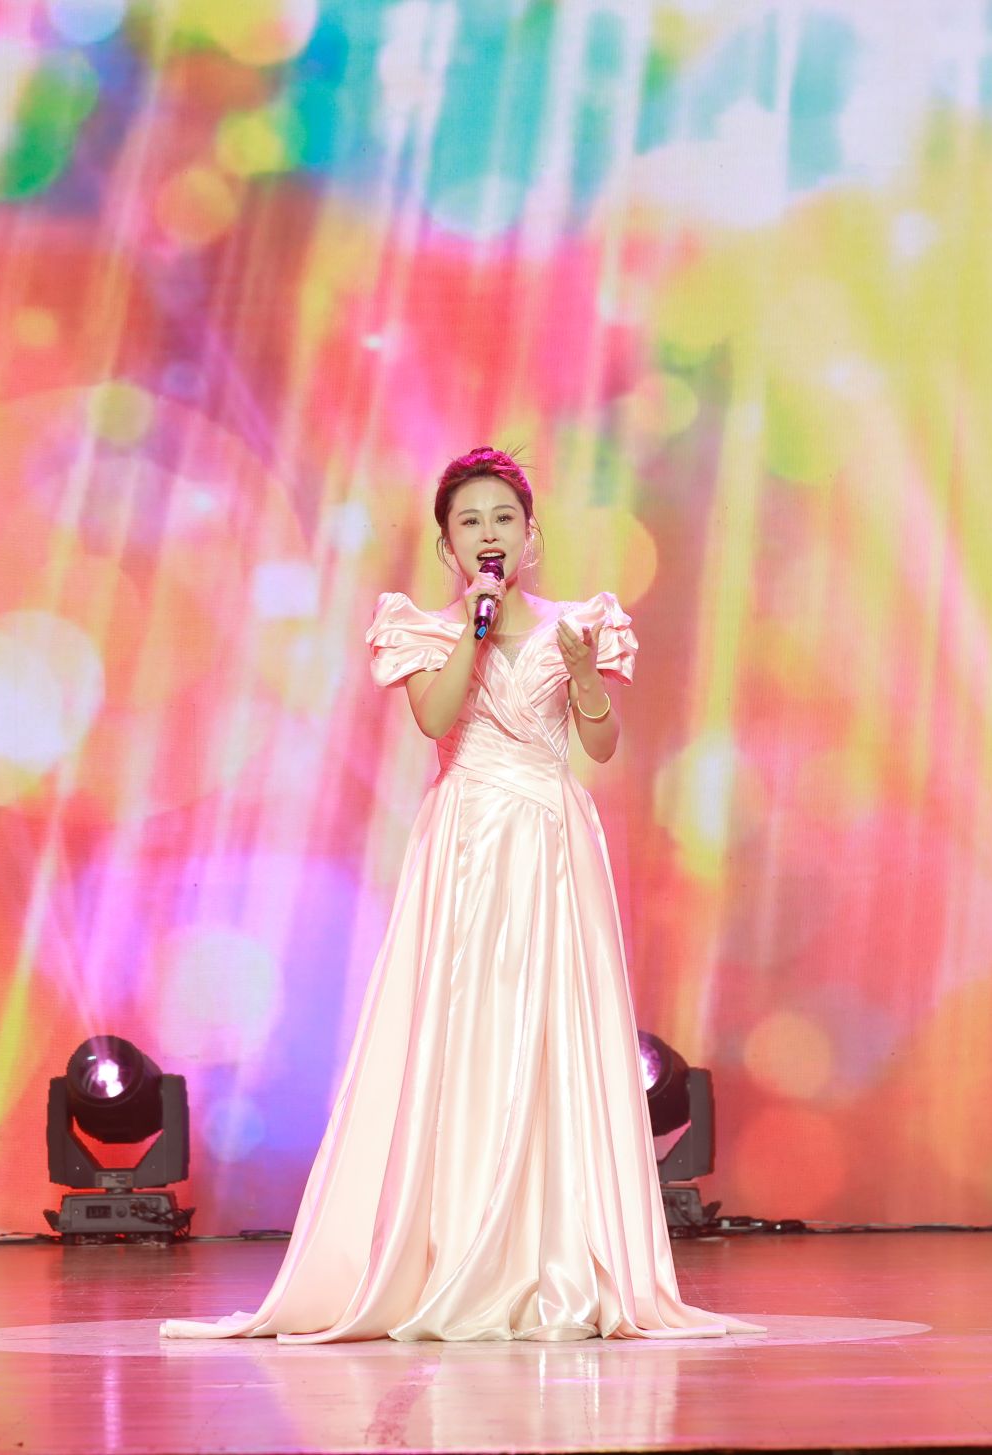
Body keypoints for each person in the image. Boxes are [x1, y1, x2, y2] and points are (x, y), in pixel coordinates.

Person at [162, 449, 753, 1343]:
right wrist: (474, 629)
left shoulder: (578, 624)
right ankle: (454, 1246)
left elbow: (599, 744)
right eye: (470, 521)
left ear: (531, 534)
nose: (489, 533)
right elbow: (436, 719)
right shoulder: (424, 628)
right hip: (467, 843)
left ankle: (557, 1256)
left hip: (552, 841)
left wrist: (584, 678)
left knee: (555, 1034)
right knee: (464, 1032)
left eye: (503, 518)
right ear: (448, 545)